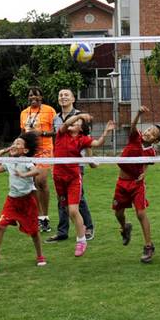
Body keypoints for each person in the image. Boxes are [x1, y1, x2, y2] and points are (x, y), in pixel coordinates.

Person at [54, 113, 114, 257]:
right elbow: (67, 122)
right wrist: (79, 115)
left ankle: (81, 241)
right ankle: (81, 225)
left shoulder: (82, 139)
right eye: (73, 121)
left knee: (74, 210)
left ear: (81, 129)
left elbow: (98, 143)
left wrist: (106, 132)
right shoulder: (61, 134)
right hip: (58, 177)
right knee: (66, 209)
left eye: (77, 122)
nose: (73, 123)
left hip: (74, 178)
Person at [0, 132, 47, 268]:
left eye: (18, 144)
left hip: (27, 202)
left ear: (25, 150)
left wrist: (23, 174)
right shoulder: (8, 162)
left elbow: (36, 171)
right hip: (12, 201)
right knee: (0, 226)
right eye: (14, 143)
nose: (14, 145)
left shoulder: (26, 161)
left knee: (34, 232)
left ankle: (40, 255)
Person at [113, 106, 160, 263]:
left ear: (155, 140)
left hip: (137, 184)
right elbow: (133, 126)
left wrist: (144, 174)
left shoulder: (151, 152)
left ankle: (148, 246)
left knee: (141, 214)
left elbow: (147, 163)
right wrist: (138, 114)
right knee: (118, 213)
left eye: (152, 133)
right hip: (122, 183)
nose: (148, 132)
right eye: (149, 129)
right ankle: (125, 228)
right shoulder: (135, 137)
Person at [46, 88, 95, 243]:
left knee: (78, 199)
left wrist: (90, 160)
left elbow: (87, 140)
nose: (63, 97)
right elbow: (58, 139)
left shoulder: (80, 115)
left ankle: (88, 228)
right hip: (60, 163)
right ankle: (62, 232)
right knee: (62, 199)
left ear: (73, 98)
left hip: (76, 163)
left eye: (66, 94)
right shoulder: (56, 118)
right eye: (60, 95)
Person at [19, 88, 58, 233]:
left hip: (45, 149)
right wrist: (18, 147)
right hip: (29, 151)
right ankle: (40, 217)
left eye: (36, 94)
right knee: (32, 184)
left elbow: (57, 130)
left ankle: (45, 217)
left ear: (41, 97)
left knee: (41, 181)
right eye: (30, 95)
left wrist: (42, 133)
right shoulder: (24, 113)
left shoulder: (49, 110)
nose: (33, 97)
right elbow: (23, 133)